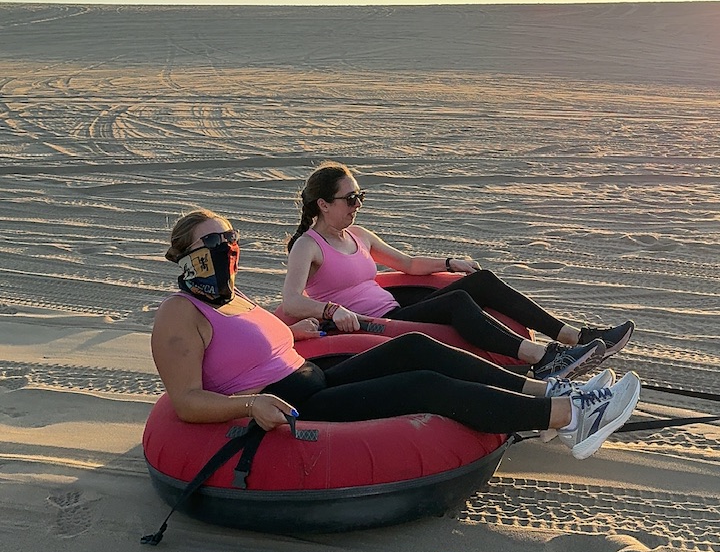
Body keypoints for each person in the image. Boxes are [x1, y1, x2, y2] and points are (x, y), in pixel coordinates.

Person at [150, 209, 641, 462]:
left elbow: (261, 334)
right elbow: (187, 401)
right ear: (185, 253)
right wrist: (248, 403)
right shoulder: (179, 314)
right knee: (422, 386)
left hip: (312, 373)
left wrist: (291, 328)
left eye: (230, 238)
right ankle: (572, 418)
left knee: (414, 348)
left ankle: (550, 388)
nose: (226, 247)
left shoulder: (234, 298)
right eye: (212, 241)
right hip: (287, 405)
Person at [283, 162, 635, 381]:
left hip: (393, 310)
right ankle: (544, 359)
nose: (357, 205)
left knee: (478, 281)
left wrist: (451, 263)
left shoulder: (357, 235)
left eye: (361, 196)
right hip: (373, 323)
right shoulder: (308, 246)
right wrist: (331, 310)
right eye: (350, 199)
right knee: (459, 302)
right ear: (324, 204)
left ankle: (576, 337)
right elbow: (292, 300)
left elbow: (406, 265)